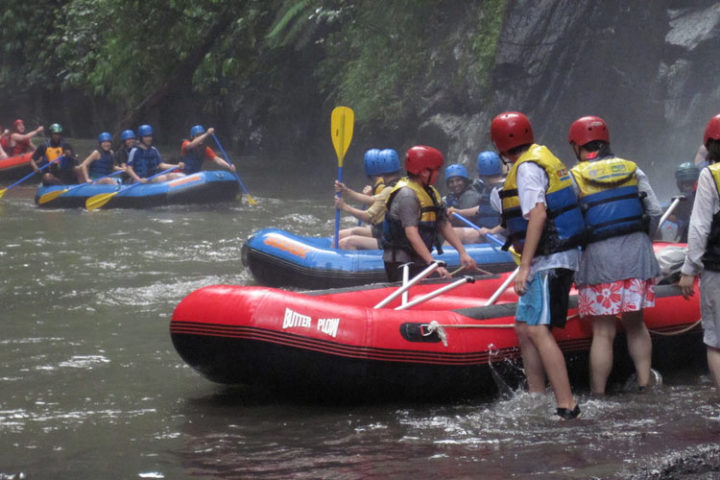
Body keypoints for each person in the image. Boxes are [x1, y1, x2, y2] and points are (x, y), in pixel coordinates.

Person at [491, 111, 583, 419]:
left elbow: (539, 214)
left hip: (549, 258)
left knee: (538, 329)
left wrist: (524, 266)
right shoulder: (540, 158)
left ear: (501, 143)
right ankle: (535, 395)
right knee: (523, 327)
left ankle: (567, 405)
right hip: (553, 255)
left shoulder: (528, 168)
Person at [568, 115, 662, 396]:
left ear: (577, 146)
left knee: (603, 331)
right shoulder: (633, 168)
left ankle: (599, 393)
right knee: (636, 323)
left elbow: (569, 222)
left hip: (599, 261)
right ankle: (645, 384)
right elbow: (654, 211)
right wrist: (644, 239)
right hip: (637, 256)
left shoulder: (575, 176)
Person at [382, 145, 477, 282]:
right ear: (425, 172)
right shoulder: (407, 195)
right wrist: (432, 263)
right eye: (437, 169)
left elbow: (443, 223)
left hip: (419, 258)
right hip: (402, 261)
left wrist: (462, 253)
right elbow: (411, 233)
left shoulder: (431, 192)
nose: (439, 173)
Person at [679, 113, 720, 400]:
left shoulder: (710, 175)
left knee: (716, 342)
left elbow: (700, 226)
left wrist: (688, 269)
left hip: (717, 269)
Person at [335, 148, 402, 249]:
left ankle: (344, 264)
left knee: (347, 242)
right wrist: (347, 191)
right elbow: (372, 200)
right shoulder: (398, 185)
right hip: (390, 234)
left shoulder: (389, 189)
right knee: (340, 235)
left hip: (392, 241)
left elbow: (368, 217)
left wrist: (345, 207)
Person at [449, 151, 506, 243]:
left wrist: (492, 231)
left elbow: (512, 220)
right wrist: (459, 212)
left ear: (481, 174)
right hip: (491, 233)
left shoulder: (500, 190)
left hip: (500, 237)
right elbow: (482, 209)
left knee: (454, 234)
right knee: (452, 233)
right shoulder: (491, 188)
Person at [666, 162, 700, 243]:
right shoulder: (703, 194)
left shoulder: (680, 199)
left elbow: (670, 217)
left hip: (686, 237)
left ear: (679, 182)